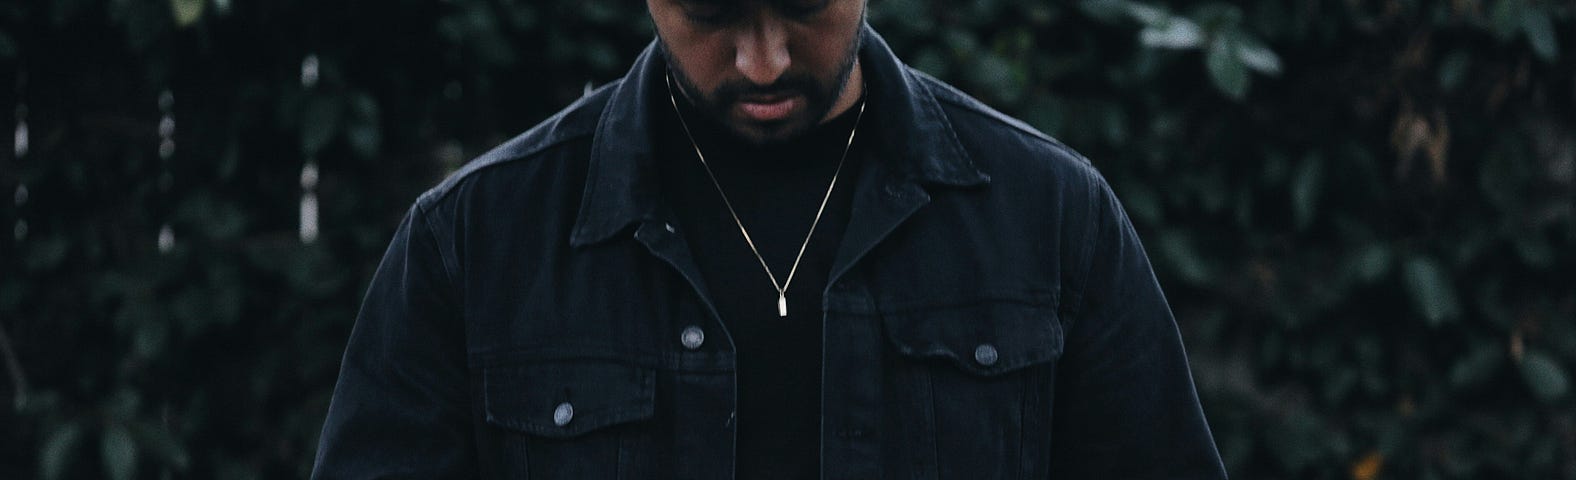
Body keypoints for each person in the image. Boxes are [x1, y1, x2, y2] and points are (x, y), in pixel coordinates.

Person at [312, 1, 1227, 478]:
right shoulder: (474, 242)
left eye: (801, 4)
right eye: (712, 15)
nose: (764, 59)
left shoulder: (1049, 216)